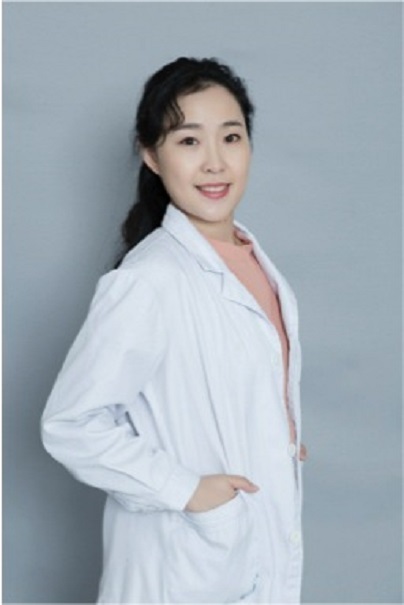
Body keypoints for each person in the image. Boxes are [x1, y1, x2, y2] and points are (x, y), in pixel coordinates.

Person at [41, 56, 306, 603]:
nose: (215, 162)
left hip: (252, 548)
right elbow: (71, 424)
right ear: (151, 156)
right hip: (184, 566)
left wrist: (272, 436)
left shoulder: (256, 264)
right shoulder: (150, 280)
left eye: (230, 137)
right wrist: (187, 491)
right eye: (188, 141)